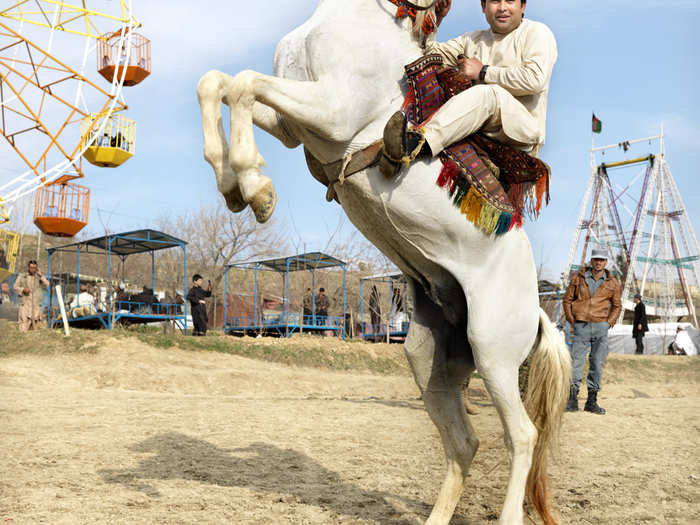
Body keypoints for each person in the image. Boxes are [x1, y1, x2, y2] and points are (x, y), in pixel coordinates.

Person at [381, 0, 557, 176]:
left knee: (488, 93)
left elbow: (535, 80)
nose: (502, 7)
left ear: (523, 6)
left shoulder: (537, 32)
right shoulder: (472, 39)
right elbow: (427, 53)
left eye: (510, 1)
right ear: (483, 6)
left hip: (521, 130)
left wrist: (483, 72)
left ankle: (416, 144)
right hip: (478, 123)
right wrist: (437, 17)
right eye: (495, 1)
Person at [563, 249, 622, 414]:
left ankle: (591, 402)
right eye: (596, 259)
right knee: (576, 363)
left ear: (606, 262)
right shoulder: (578, 278)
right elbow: (567, 300)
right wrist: (572, 320)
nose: (598, 262)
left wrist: (608, 323)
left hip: (601, 327)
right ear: (591, 261)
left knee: (597, 363)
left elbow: (617, 306)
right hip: (581, 325)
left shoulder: (612, 283)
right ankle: (572, 400)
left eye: (602, 260)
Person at [13, 260, 49, 332]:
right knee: (23, 322)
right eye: (31, 267)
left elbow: (47, 284)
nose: (33, 269)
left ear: (37, 268)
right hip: (25, 303)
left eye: (34, 268)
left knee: (35, 323)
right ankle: (23, 337)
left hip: (35, 304)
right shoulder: (22, 276)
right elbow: (15, 287)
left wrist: (41, 275)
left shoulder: (39, 277)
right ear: (28, 267)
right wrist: (23, 289)